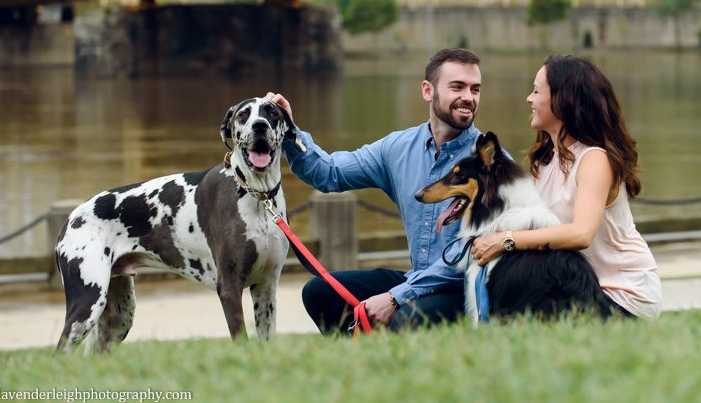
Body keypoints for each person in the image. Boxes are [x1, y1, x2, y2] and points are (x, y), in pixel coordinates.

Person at [265, 48, 483, 333]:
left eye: (475, 89)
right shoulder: (398, 147)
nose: (468, 97)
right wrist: (288, 129)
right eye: (457, 87)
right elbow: (329, 173)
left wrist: (395, 297)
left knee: (406, 318)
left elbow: (469, 255)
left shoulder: (490, 163)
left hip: (464, 288)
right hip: (416, 280)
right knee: (319, 292)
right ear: (427, 91)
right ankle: (357, 357)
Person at [470, 55, 662, 319]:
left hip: (622, 296)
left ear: (563, 100)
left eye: (536, 91)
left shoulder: (594, 159)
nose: (529, 99)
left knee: (550, 262)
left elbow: (581, 234)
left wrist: (507, 240)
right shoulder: (546, 161)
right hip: (576, 285)